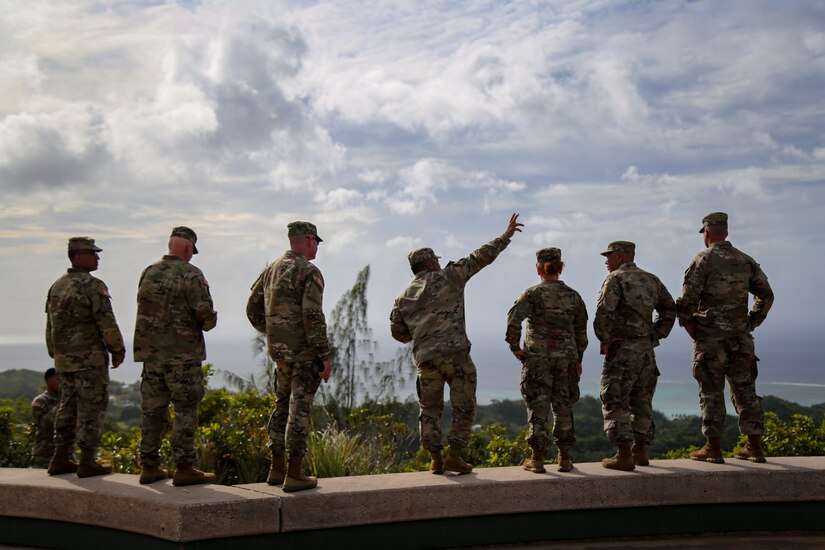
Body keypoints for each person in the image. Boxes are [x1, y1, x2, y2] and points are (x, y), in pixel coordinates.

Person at [390, 213, 523, 475]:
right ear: (429, 263)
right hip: (457, 356)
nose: (439, 262)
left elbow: (399, 333)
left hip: (426, 360)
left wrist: (422, 332)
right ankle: (454, 455)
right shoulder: (448, 277)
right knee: (464, 407)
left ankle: (435, 459)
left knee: (429, 410)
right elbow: (479, 258)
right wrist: (505, 237)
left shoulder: (403, 297)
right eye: (436, 259)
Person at [677, 212, 774, 464]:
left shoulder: (703, 260)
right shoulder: (745, 261)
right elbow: (766, 295)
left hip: (710, 338)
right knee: (746, 390)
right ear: (726, 233)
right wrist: (750, 322)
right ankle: (754, 446)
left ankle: (713, 447)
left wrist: (691, 326)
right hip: (741, 338)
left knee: (711, 392)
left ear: (706, 233)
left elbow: (687, 301)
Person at [246, 221, 332, 492]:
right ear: (306, 240)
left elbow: (252, 310)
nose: (317, 245)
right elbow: (312, 315)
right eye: (316, 240)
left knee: (280, 406)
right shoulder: (309, 271)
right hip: (304, 354)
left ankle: (277, 468)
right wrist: (324, 354)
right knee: (299, 410)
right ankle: (295, 473)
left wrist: (275, 332)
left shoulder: (271, 270)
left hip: (280, 354)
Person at [134, 226, 218, 486]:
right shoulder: (191, 274)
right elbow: (205, 316)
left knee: (152, 411)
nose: (192, 255)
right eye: (192, 250)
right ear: (186, 247)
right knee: (185, 410)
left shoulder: (148, 272)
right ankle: (184, 466)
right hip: (182, 357)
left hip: (152, 358)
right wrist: (211, 319)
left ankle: (149, 466)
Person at [45, 236, 125, 477]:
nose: (97, 257)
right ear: (78, 257)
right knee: (92, 407)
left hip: (65, 360)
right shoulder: (93, 285)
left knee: (67, 406)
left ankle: (60, 457)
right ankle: (87, 460)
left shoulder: (57, 286)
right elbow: (106, 321)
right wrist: (117, 349)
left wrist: (55, 352)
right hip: (90, 361)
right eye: (93, 253)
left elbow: (50, 324)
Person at [594, 241, 675, 471]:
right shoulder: (651, 279)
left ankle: (623, 454)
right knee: (642, 401)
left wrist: (606, 340)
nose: (606, 261)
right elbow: (669, 308)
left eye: (609, 256)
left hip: (622, 352)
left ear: (620, 257)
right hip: (646, 353)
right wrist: (655, 334)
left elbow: (603, 314)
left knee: (615, 400)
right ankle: (640, 451)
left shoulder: (615, 279)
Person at [505, 247, 588, 473]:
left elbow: (514, 320)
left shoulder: (532, 294)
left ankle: (538, 459)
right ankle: (564, 458)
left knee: (538, 406)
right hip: (567, 360)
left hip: (537, 359)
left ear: (538, 268)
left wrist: (515, 347)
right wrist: (577, 357)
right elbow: (581, 331)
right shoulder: (573, 296)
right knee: (563, 407)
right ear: (560, 267)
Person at [30, 368, 61, 469]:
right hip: (44, 455)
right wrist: (62, 406)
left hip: (64, 453)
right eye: (58, 380)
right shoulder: (41, 401)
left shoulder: (65, 399)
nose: (61, 383)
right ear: (48, 381)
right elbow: (44, 423)